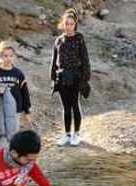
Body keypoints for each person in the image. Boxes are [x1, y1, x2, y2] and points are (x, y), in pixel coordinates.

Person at [50, 9, 91, 147]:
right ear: (63, 24)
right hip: (61, 77)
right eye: (66, 23)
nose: (68, 26)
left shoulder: (79, 39)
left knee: (75, 105)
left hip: (75, 77)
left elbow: (85, 59)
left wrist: (85, 79)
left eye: (71, 24)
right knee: (65, 107)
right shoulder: (58, 40)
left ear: (75, 25)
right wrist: (53, 78)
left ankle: (76, 134)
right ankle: (67, 134)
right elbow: (54, 61)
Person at [0, 41, 32, 133]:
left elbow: (25, 93)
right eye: (5, 56)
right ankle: (1, 147)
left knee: (12, 133)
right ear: (0, 56)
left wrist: (27, 111)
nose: (8, 58)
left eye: (11, 56)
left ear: (14, 56)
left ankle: (11, 147)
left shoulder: (18, 73)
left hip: (15, 109)